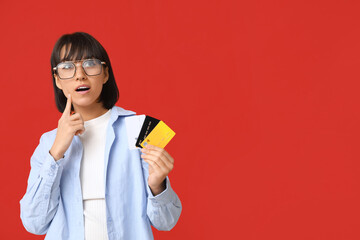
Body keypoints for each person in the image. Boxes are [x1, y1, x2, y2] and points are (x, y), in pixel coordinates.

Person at [20, 32, 182, 240]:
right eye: (67, 67)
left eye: (90, 63)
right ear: (58, 81)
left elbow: (167, 222)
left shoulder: (141, 128)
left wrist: (157, 185)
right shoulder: (48, 142)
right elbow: (34, 223)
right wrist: (56, 152)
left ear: (105, 73)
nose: (80, 75)